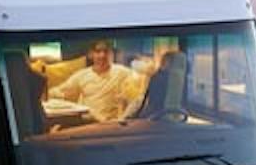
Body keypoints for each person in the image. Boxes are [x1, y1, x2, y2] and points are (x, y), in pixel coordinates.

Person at [31, 37, 176, 127]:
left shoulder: (122, 73)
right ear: (91, 54)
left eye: (106, 51)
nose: (102, 55)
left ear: (111, 53)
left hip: (110, 126)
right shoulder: (82, 75)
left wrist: (122, 120)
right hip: (87, 122)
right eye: (98, 51)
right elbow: (60, 91)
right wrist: (41, 94)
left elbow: (138, 96)